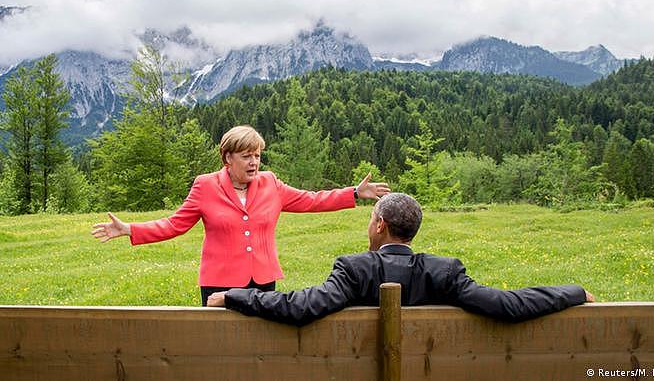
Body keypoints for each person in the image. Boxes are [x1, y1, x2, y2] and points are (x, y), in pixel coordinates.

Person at [91, 125, 390, 305]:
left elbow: (310, 200)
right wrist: (130, 229)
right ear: (227, 158)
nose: (254, 162)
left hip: (262, 280)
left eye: (257, 155)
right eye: (247, 156)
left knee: (260, 346)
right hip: (219, 281)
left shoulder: (271, 183)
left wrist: (353, 193)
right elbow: (174, 224)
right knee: (219, 348)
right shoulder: (205, 186)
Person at [207, 193, 595, 326]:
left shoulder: (354, 269)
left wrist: (235, 296)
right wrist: (573, 292)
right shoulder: (444, 271)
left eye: (370, 218)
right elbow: (508, 305)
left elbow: (301, 307)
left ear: (380, 225)